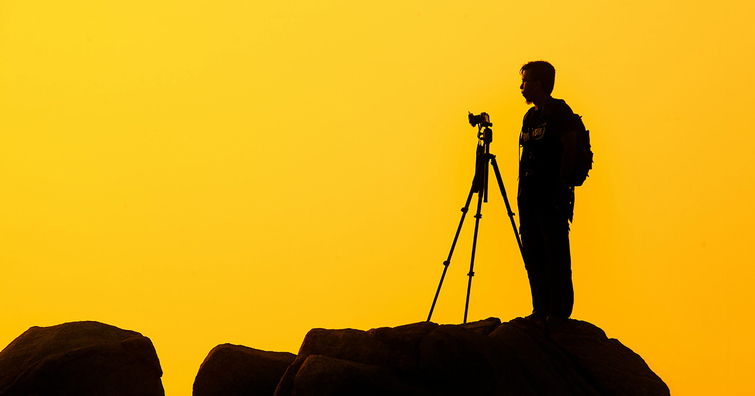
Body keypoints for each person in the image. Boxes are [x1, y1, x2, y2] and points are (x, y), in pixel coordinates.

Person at [517, 61, 578, 323]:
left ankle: (559, 311)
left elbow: (571, 146)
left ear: (538, 83)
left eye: (526, 81)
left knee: (554, 251)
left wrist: (562, 184)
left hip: (551, 193)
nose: (521, 87)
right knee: (532, 251)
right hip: (529, 195)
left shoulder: (558, 111)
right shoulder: (530, 117)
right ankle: (540, 308)